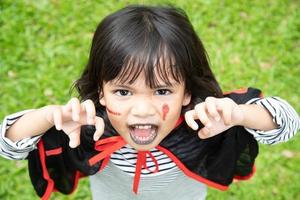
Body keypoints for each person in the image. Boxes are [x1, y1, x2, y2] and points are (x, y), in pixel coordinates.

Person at [0, 5, 299, 200]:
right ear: (101, 92)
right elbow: (8, 145)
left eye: (162, 91)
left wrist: (240, 114)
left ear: (186, 93)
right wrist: (49, 117)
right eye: (124, 92)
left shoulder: (206, 124)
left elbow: (288, 124)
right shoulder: (88, 129)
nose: (143, 110)